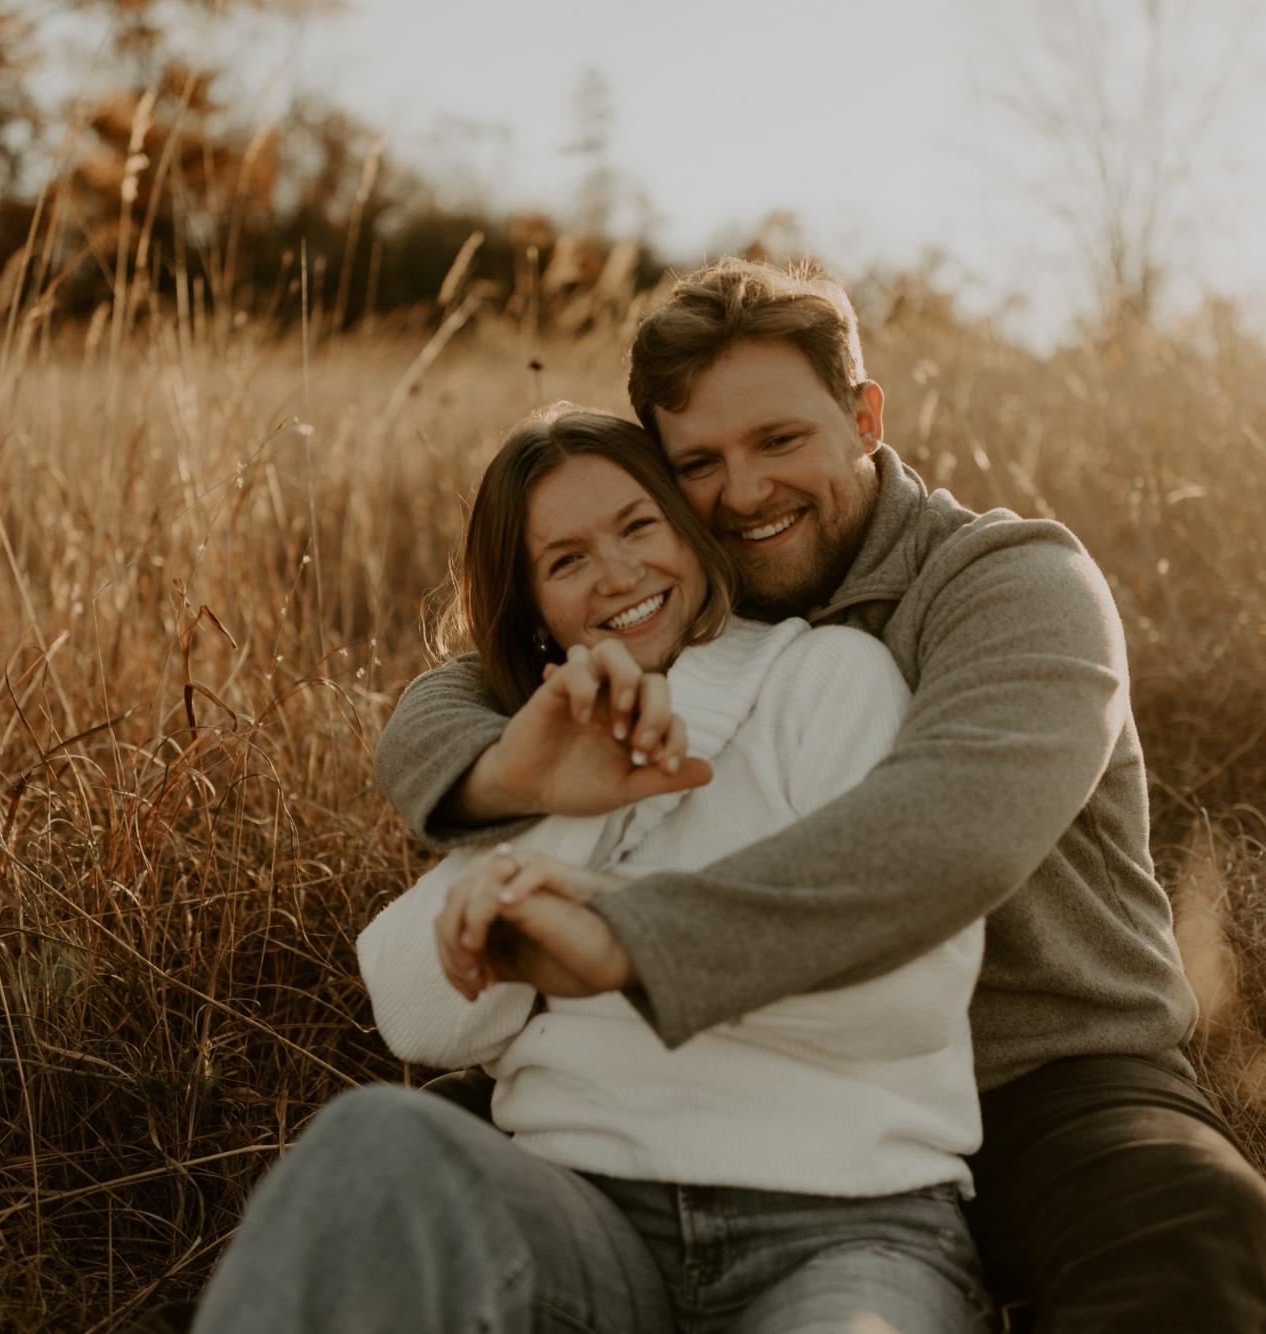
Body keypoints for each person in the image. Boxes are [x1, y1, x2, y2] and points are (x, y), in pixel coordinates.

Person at [369, 260, 1266, 1334]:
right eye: (698, 463)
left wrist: (625, 936)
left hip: (1045, 1074)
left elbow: (947, 839)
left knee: (1194, 1236)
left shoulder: (1009, 582)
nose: (744, 492)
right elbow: (458, 690)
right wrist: (504, 775)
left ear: (863, 417)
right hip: (751, 1061)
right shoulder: (695, 591)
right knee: (378, 1177)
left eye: (779, 441)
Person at [191, 406, 995, 1334]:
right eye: (566, 560)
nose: (617, 574)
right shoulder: (536, 744)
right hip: (587, 1223)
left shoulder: (828, 680)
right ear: (534, 609)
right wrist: (570, 807)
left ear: (689, 531)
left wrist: (619, 932)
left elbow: (908, 999)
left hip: (842, 1228)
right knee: (373, 1140)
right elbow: (418, 1017)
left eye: (638, 527)